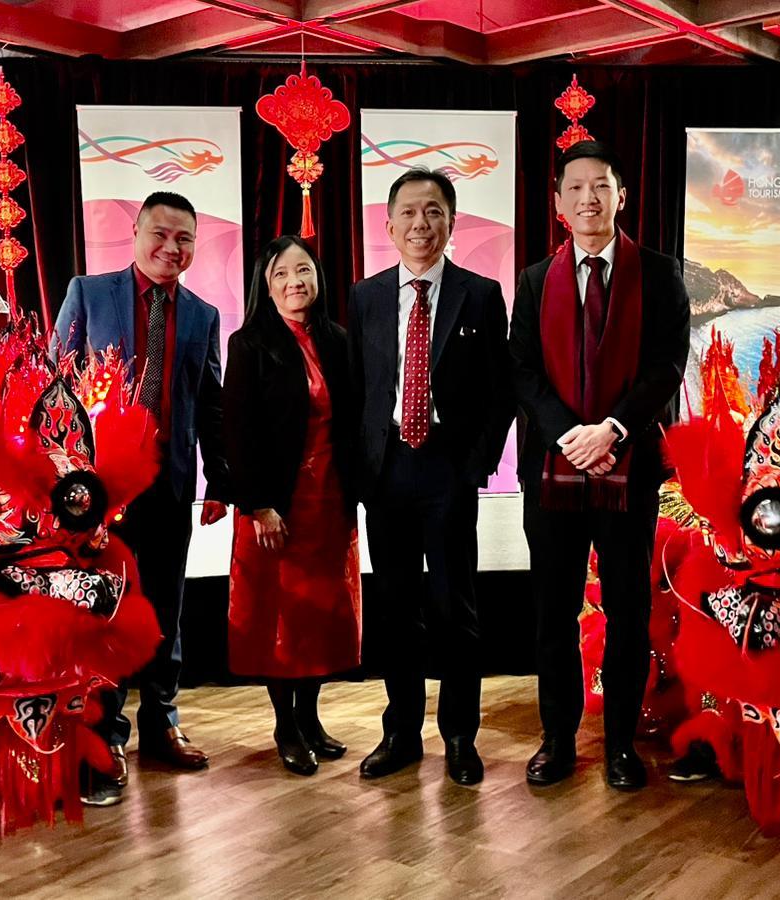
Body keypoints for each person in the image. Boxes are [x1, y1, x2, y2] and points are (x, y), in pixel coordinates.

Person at [509, 141, 690, 791]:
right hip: (553, 473)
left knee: (627, 609)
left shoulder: (662, 274)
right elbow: (522, 372)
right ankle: (556, 741)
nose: (589, 198)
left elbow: (668, 365)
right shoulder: (534, 281)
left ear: (621, 195)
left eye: (601, 186)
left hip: (631, 466)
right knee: (553, 612)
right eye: (576, 188)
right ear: (558, 204)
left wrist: (612, 428)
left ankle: (620, 746)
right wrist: (569, 436)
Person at [51, 191, 230, 805]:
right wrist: (60, 474)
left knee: (164, 608)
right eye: (160, 233)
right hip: (96, 494)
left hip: (169, 486)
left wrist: (219, 482)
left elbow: (209, 405)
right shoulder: (88, 293)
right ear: (134, 231)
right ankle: (104, 733)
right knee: (100, 611)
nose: (170, 248)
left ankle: (162, 721)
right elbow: (54, 389)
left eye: (184, 238)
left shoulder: (204, 317)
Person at [348, 168, 514, 786]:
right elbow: (358, 391)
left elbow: (501, 394)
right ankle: (400, 734)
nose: (422, 224)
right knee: (395, 610)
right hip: (387, 469)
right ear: (388, 225)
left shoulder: (481, 293)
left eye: (434, 211)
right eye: (410, 213)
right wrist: (362, 470)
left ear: (452, 221)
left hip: (448, 468)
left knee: (454, 609)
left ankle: (460, 737)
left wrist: (474, 465)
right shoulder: (365, 297)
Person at [222, 235, 361, 776]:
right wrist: (258, 504)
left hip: (330, 499)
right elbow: (239, 431)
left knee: (321, 617)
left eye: (303, 271)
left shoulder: (339, 340)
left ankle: (310, 717)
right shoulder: (250, 343)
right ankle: (286, 725)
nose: (294, 283)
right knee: (279, 620)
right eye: (281, 274)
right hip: (275, 504)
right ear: (265, 283)